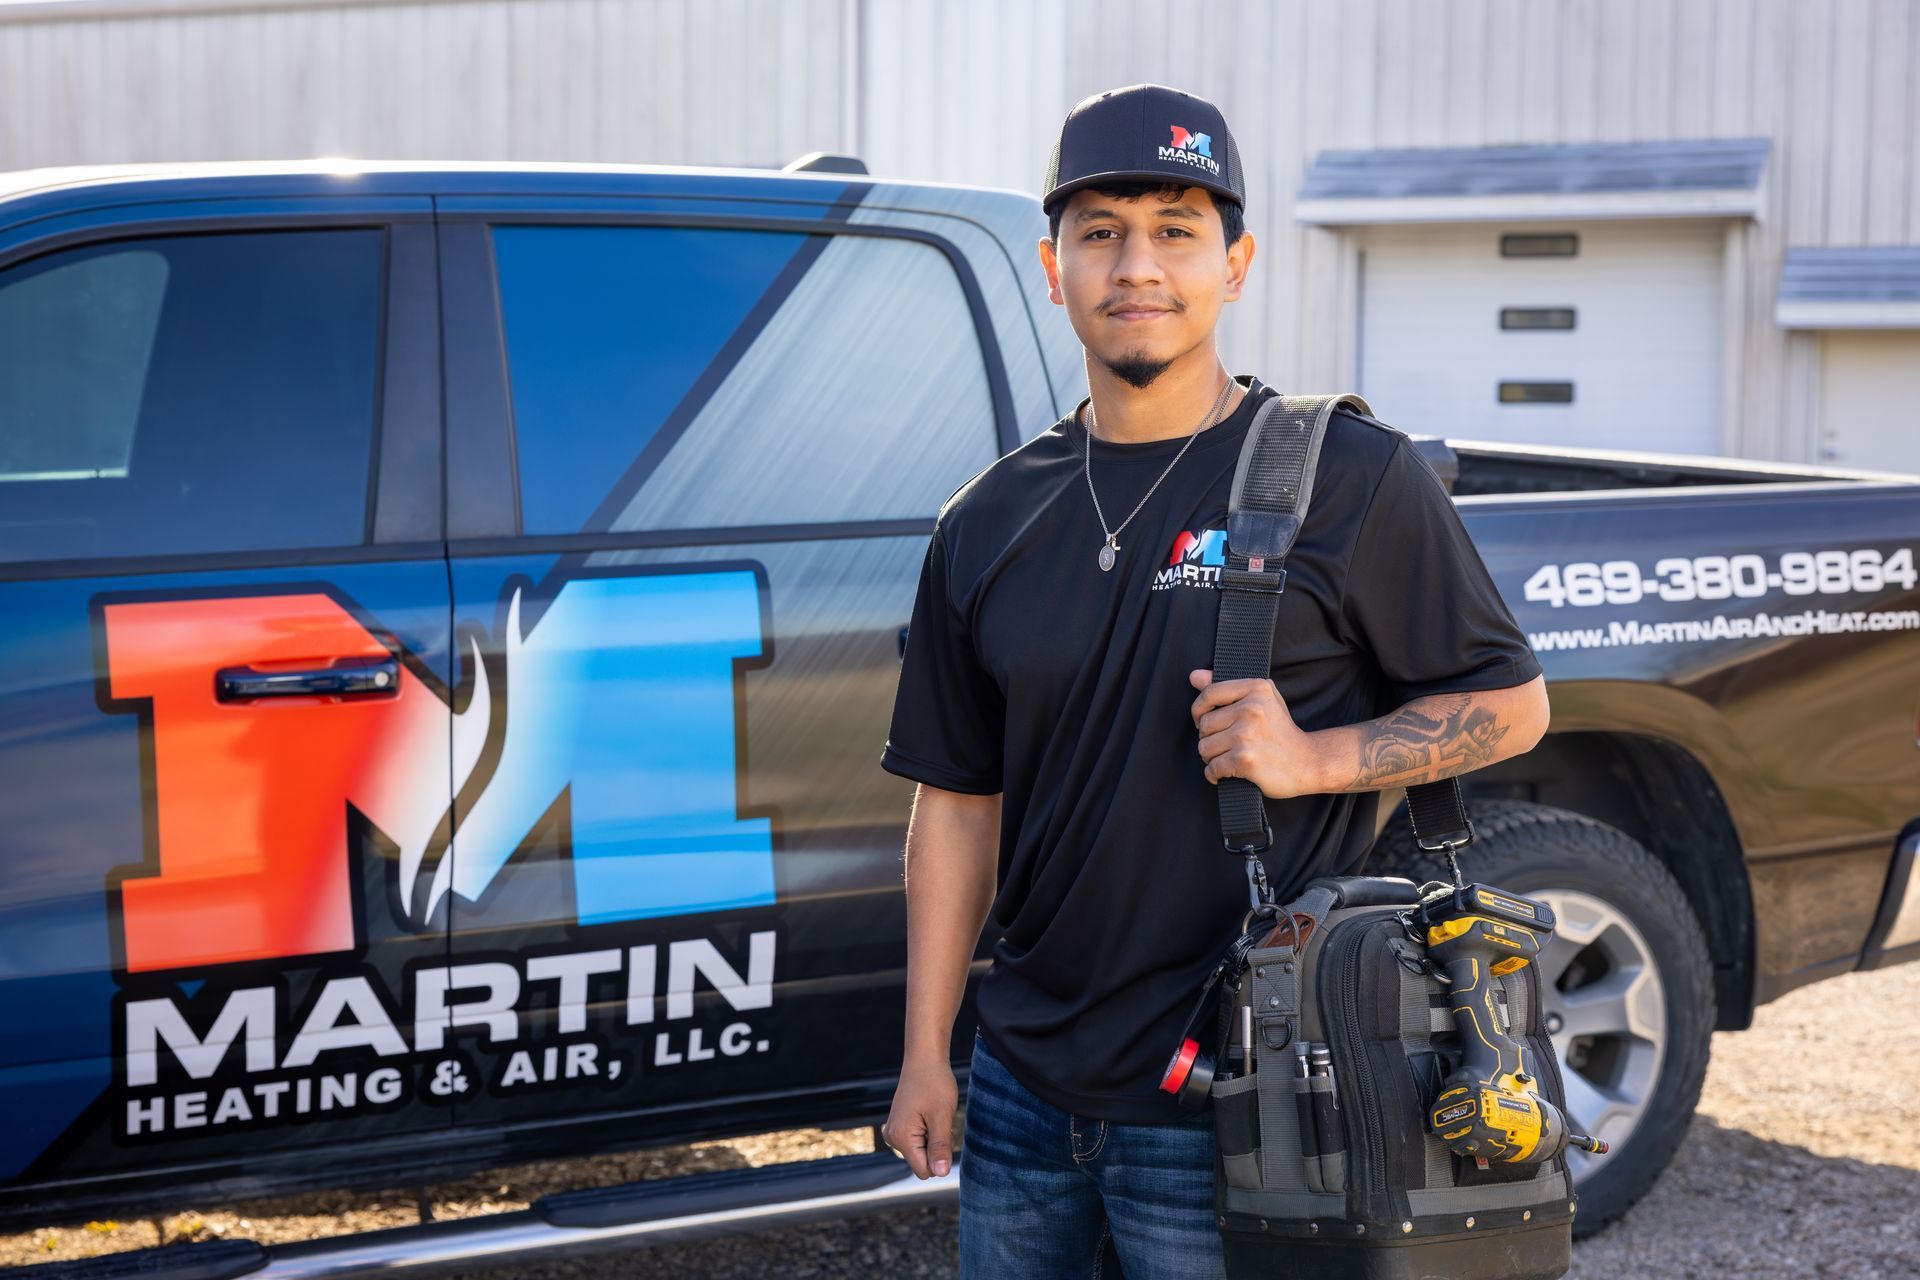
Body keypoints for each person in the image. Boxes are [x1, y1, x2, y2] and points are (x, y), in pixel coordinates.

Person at [876, 83, 1550, 1279]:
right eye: (1101, 233)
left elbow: (1511, 703)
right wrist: (929, 1048)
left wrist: (1319, 757)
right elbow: (955, 801)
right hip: (1027, 1093)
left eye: (1176, 230)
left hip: (1244, 1092)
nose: (1138, 264)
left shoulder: (1347, 475)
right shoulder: (983, 522)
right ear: (1052, 267)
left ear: (1235, 264)